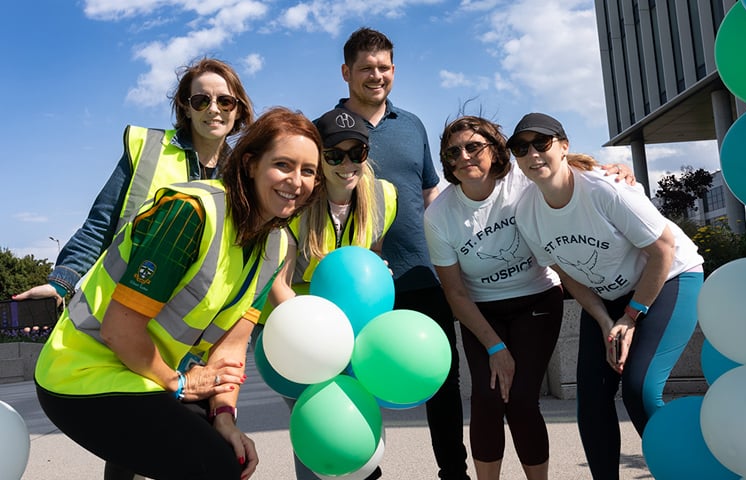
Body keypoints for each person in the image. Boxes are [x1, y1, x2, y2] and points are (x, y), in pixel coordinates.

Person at [34, 106, 323, 480]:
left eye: (309, 171)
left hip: (142, 374)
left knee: (220, 450)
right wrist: (179, 384)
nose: (296, 181)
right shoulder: (191, 212)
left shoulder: (277, 246)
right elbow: (119, 330)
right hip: (80, 373)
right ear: (250, 164)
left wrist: (224, 417)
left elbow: (232, 349)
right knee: (214, 466)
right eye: (283, 165)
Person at [424, 115, 635, 480]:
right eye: (453, 151)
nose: (464, 156)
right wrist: (494, 348)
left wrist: (610, 170)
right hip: (481, 313)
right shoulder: (439, 215)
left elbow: (563, 170)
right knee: (488, 401)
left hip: (537, 300)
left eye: (474, 146)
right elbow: (455, 293)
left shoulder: (519, 182)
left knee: (521, 400)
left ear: (494, 151)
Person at [510, 112, 704, 480]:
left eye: (542, 143)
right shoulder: (527, 212)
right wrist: (603, 320)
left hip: (670, 278)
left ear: (564, 146)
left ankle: (689, 468)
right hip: (608, 297)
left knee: (639, 389)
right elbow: (565, 272)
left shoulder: (603, 188)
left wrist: (630, 317)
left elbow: (663, 249)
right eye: (522, 147)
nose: (532, 153)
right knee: (593, 401)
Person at [331, 27, 469, 480]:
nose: (377, 76)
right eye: (367, 68)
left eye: (384, 68)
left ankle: (454, 472)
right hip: (355, 284)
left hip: (421, 273)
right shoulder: (325, 130)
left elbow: (432, 193)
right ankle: (365, 473)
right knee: (356, 386)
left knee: (442, 384)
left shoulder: (411, 125)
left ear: (394, 70)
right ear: (347, 72)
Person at [14, 57, 254, 307]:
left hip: (190, 320)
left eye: (225, 101)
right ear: (186, 107)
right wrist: (60, 283)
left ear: (238, 109)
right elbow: (100, 224)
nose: (213, 109)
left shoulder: (244, 175)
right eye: (201, 100)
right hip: (124, 305)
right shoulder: (146, 147)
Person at [264, 107, 397, 480]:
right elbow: (278, 282)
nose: (347, 163)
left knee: (353, 417)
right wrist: (317, 340)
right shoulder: (296, 203)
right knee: (317, 418)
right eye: (335, 154)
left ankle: (365, 471)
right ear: (319, 159)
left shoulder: (384, 196)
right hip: (298, 325)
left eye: (358, 153)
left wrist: (375, 274)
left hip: (353, 325)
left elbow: (371, 258)